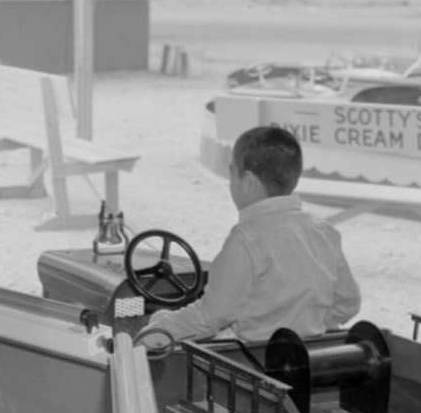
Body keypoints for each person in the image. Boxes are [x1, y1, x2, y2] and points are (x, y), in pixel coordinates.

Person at [136, 125, 360, 346]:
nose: (230, 183)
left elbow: (210, 317)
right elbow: (347, 303)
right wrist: (306, 330)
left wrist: (160, 325)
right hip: (306, 360)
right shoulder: (324, 232)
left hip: (253, 364)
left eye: (232, 173)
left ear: (249, 181)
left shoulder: (246, 240)